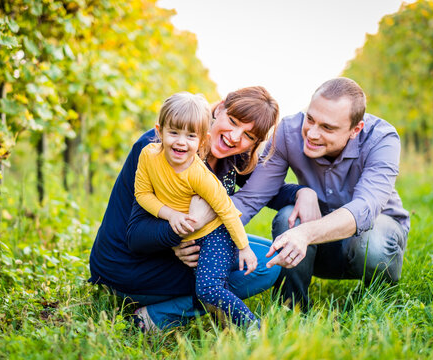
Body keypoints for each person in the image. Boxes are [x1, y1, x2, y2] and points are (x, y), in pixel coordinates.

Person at [89, 86, 295, 330]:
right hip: (128, 266)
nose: (235, 137)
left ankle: (177, 305)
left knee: (265, 255)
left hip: (176, 252)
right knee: (260, 268)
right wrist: (179, 236)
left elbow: (269, 189)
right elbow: (137, 236)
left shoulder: (230, 157)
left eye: (249, 136)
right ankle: (159, 316)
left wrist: (303, 193)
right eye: (233, 121)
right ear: (218, 109)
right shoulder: (160, 148)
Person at [229, 77, 410, 311]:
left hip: (373, 238)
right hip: (315, 247)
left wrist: (305, 233)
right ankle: (291, 308)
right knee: (288, 218)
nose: (312, 134)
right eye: (310, 119)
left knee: (372, 243)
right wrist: (196, 233)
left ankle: (376, 302)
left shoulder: (382, 139)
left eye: (327, 127)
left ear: (356, 130)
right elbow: (250, 198)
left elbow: (364, 210)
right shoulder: (288, 131)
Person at [134, 92, 258, 328]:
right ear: (159, 132)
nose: (181, 142)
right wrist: (170, 215)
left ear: (202, 142)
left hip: (216, 234)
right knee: (208, 288)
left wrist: (244, 247)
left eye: (191, 136)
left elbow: (227, 211)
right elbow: (142, 194)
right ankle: (222, 325)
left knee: (208, 288)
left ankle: (252, 326)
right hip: (189, 235)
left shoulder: (199, 175)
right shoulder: (148, 156)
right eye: (174, 133)